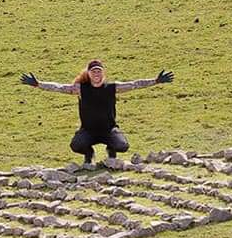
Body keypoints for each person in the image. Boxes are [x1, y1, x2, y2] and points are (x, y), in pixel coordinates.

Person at [20, 59, 175, 164]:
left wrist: (155, 81)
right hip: (88, 131)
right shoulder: (80, 89)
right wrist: (38, 84)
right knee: (76, 145)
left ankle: (111, 150)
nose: (96, 74)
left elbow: (134, 84)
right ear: (88, 74)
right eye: (93, 71)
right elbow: (59, 87)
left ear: (103, 73)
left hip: (109, 130)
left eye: (99, 71)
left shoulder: (112, 88)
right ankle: (89, 153)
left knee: (123, 146)